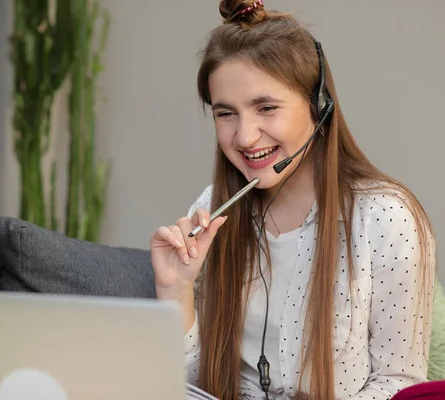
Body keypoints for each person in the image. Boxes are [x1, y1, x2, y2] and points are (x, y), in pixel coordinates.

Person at [149, 1, 437, 399]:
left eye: (266, 108)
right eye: (225, 113)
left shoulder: (387, 217)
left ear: (319, 106)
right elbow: (192, 386)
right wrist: (176, 290)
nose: (245, 137)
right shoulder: (210, 210)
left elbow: (399, 382)